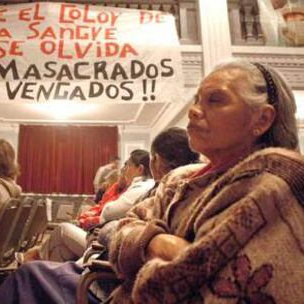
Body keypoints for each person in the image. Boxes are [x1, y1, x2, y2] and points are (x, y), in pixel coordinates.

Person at [107, 60, 304, 303]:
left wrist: (140, 247)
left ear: (262, 119)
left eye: (216, 100)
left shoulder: (274, 186)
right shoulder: (181, 178)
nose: (194, 110)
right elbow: (123, 226)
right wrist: (156, 242)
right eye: (197, 99)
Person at [0, 128, 199, 304]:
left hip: (109, 282)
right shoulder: (195, 190)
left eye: (127, 165)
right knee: (51, 256)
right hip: (110, 267)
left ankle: (27, 266)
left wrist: (116, 231)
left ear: (154, 161)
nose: (123, 169)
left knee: (28, 274)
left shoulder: (162, 189)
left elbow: (113, 223)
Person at [26, 150, 154, 263]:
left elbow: (109, 211)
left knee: (62, 229)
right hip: (105, 240)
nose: (124, 169)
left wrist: (106, 208)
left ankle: (37, 260)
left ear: (140, 169)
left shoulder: (141, 187)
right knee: (60, 250)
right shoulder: (138, 186)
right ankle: (44, 277)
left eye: (128, 165)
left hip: (106, 248)